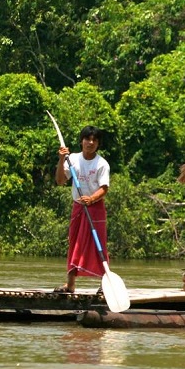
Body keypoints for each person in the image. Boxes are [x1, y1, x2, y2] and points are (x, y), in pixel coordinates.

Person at [54, 126, 110, 294]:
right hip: (78, 207)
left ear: (98, 144)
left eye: (94, 140)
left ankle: (104, 285)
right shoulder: (73, 159)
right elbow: (60, 181)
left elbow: (104, 188)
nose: (90, 143)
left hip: (95, 207)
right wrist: (62, 159)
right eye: (87, 139)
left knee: (98, 245)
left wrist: (91, 198)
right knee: (74, 243)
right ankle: (70, 285)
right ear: (82, 141)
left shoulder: (101, 163)